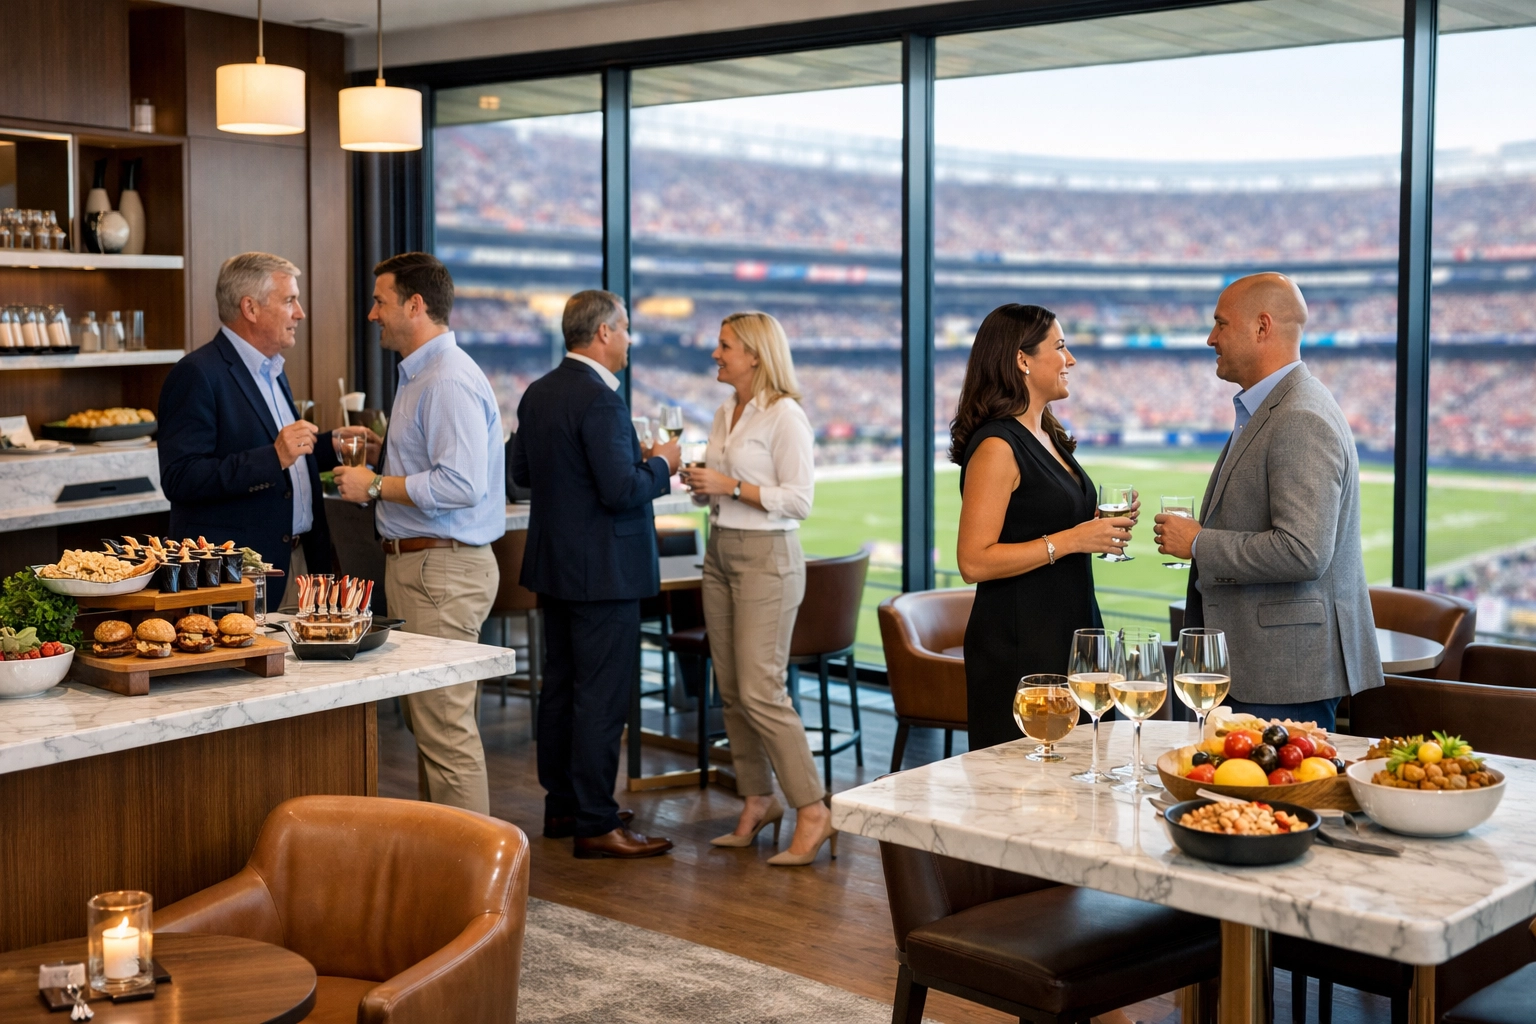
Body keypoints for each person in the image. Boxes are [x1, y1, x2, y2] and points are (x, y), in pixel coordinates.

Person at [1153, 273, 1383, 729]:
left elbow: (1303, 551)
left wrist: (1199, 543)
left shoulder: (1298, 416)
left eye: (1221, 324)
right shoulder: (1274, 407)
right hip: (1264, 667)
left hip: (1282, 676)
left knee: (1272, 799)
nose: (1210, 338)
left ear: (1262, 328)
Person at [510, 289, 679, 859]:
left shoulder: (538, 392)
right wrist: (663, 465)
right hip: (604, 574)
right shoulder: (601, 400)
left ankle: (564, 805)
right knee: (600, 697)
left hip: (555, 566)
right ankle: (596, 821)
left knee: (561, 688)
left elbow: (521, 472)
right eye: (626, 329)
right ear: (603, 332)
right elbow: (622, 488)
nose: (630, 341)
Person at [333, 252, 504, 815]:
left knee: (446, 734)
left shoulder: (447, 379)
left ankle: (475, 885)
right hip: (426, 568)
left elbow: (461, 485)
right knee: (434, 729)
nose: (372, 313)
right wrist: (389, 456)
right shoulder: (423, 374)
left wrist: (378, 484)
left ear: (415, 305)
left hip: (441, 570)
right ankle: (448, 871)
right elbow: (441, 466)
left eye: (381, 301)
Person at [679, 312, 831, 867]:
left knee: (763, 690)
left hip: (768, 557)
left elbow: (799, 501)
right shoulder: (725, 411)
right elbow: (721, 493)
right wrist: (707, 489)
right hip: (720, 549)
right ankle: (757, 799)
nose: (715, 354)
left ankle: (813, 809)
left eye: (724, 346)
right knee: (733, 690)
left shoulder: (786, 416)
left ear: (755, 354)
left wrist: (731, 484)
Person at [952, 304, 1137, 750]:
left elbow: (1042, 521)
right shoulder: (998, 444)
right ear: (1022, 360)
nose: (1069, 359)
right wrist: (1074, 539)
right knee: (1024, 795)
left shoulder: (1047, 433)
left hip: (1072, 636)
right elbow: (973, 561)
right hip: (1022, 649)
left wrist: (1095, 528)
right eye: (1059, 346)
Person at [159, 252, 373, 604]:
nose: (300, 313)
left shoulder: (271, 368)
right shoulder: (196, 374)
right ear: (251, 308)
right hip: (240, 577)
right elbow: (180, 478)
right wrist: (273, 457)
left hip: (299, 566)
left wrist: (331, 444)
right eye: (289, 300)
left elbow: (274, 447)